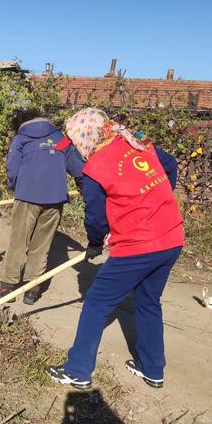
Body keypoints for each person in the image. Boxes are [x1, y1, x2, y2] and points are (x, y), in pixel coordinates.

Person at [46, 108, 184, 390]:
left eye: (74, 140)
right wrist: (157, 199)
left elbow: (96, 217)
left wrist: (96, 241)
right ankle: (152, 368)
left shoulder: (96, 166)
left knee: (97, 302)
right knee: (148, 300)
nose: (75, 146)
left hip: (138, 244)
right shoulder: (138, 143)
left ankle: (77, 370)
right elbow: (170, 166)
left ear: (85, 136)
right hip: (171, 236)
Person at [0, 109, 84, 305]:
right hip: (55, 198)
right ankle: (33, 288)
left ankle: (7, 284)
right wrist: (84, 188)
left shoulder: (21, 138)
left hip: (27, 197)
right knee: (41, 245)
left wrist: (15, 186)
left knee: (18, 241)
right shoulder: (61, 138)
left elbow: (12, 168)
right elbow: (78, 168)